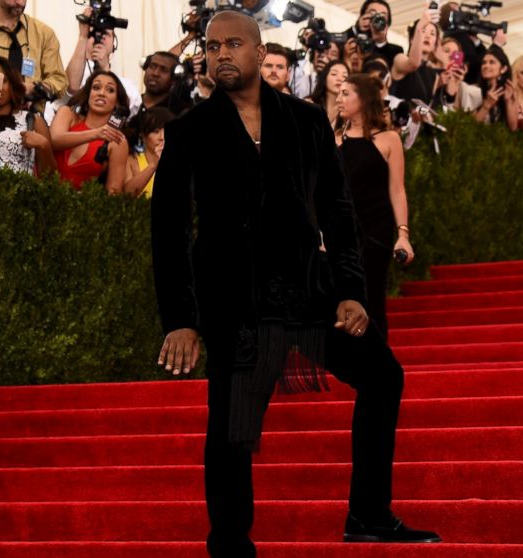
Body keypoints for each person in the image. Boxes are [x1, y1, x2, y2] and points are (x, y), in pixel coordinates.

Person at [151, 12, 440, 556]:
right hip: (235, 302)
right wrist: (181, 320)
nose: (221, 55)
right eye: (212, 47)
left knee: (383, 376)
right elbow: (168, 232)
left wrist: (352, 290)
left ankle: (369, 514)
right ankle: (231, 544)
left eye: (233, 44)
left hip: (311, 291)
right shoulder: (189, 130)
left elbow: (337, 209)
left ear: (261, 54)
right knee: (234, 430)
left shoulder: (306, 122)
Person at [337, 73, 413, 339]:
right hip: (339, 232)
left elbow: (397, 189)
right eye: (338, 93)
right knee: (341, 299)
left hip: (375, 230)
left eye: (346, 93)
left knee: (372, 297)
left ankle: (377, 366)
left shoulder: (389, 139)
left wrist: (403, 235)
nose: (339, 99)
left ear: (365, 98)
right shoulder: (332, 139)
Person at [50, 69, 129, 193]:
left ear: (117, 102)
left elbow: (114, 193)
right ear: (88, 95)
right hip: (43, 196)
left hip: (78, 207)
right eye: (96, 87)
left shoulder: (117, 140)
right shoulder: (67, 114)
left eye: (110, 90)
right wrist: (96, 134)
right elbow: (54, 141)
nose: (102, 93)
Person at [64, 11, 141, 116]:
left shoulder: (128, 85)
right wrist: (82, 36)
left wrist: (104, 67)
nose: (101, 37)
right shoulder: (73, 71)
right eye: (95, 33)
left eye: (106, 34)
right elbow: (72, 88)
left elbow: (126, 112)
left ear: (114, 44)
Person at [0, 0, 67, 102]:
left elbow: (59, 80)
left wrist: (35, 88)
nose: (21, 3)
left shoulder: (43, 34)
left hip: (31, 114)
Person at [0, 55, 53, 174]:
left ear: (12, 84)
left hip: (19, 191)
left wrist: (44, 145)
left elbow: (51, 178)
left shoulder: (32, 120)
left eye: (4, 81)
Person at [390, 4, 441, 107]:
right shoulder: (400, 59)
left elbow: (428, 105)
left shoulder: (434, 76)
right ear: (412, 39)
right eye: (423, 31)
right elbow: (414, 63)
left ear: (435, 45)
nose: (427, 36)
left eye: (432, 34)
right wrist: (419, 28)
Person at [123, 106, 172, 197]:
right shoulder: (131, 160)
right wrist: (154, 165)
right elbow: (127, 195)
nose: (162, 137)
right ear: (143, 136)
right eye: (156, 131)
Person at [348, 0, 404, 67]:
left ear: (387, 25)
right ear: (362, 17)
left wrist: (380, 41)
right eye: (372, 13)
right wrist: (357, 28)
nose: (377, 18)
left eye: (383, 15)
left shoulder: (395, 51)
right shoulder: (350, 42)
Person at [433, 36, 481, 112]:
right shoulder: (428, 73)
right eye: (446, 51)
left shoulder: (459, 84)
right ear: (437, 54)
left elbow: (449, 112)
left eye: (455, 54)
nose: (451, 56)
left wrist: (454, 89)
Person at [474, 45, 511, 125]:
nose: (486, 66)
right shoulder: (474, 91)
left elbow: (513, 128)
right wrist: (486, 106)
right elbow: (470, 126)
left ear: (503, 69)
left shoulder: (509, 93)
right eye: (484, 63)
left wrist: (508, 102)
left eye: (492, 62)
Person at [307, 60, 348, 130]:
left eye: (344, 76)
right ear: (324, 78)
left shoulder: (349, 110)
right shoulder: (310, 104)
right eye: (334, 74)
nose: (340, 79)